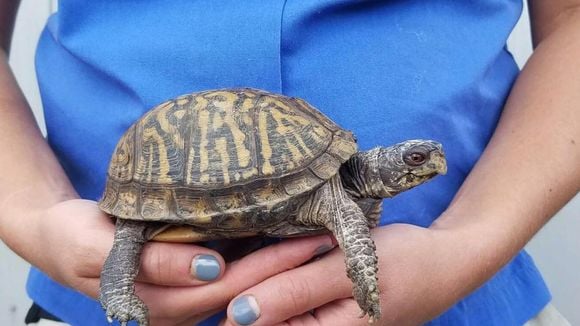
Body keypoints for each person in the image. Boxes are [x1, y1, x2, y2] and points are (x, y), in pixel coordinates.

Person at [0, 0, 578, 325]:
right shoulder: (338, 192)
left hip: (463, 303)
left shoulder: (342, 187)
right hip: (92, 310)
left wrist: (462, 248)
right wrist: (32, 215)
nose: (426, 163)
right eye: (417, 160)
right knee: (135, 228)